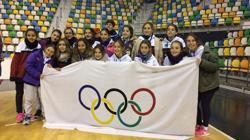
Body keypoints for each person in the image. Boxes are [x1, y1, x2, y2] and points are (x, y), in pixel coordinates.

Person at [186, 34, 219, 136]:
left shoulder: (207, 52)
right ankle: (199, 124)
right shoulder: (191, 54)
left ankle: (205, 127)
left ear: (197, 41)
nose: (190, 43)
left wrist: (202, 62)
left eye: (192, 40)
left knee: (205, 105)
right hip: (199, 85)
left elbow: (215, 66)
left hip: (209, 85)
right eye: (188, 41)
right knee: (195, 105)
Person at [10, 28, 41, 123]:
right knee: (19, 93)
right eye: (29, 35)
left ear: (36, 36)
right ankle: (19, 113)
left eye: (33, 35)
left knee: (31, 95)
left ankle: (29, 112)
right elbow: (15, 61)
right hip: (20, 74)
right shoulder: (21, 45)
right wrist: (13, 74)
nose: (31, 37)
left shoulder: (39, 46)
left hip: (31, 75)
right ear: (26, 36)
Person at [22, 44, 55, 125]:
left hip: (41, 82)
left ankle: (45, 116)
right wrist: (38, 74)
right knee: (29, 99)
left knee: (43, 99)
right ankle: (27, 116)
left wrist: (52, 69)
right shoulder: (35, 54)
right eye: (48, 50)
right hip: (30, 80)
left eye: (52, 52)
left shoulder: (51, 60)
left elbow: (48, 71)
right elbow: (28, 66)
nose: (49, 53)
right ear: (45, 49)